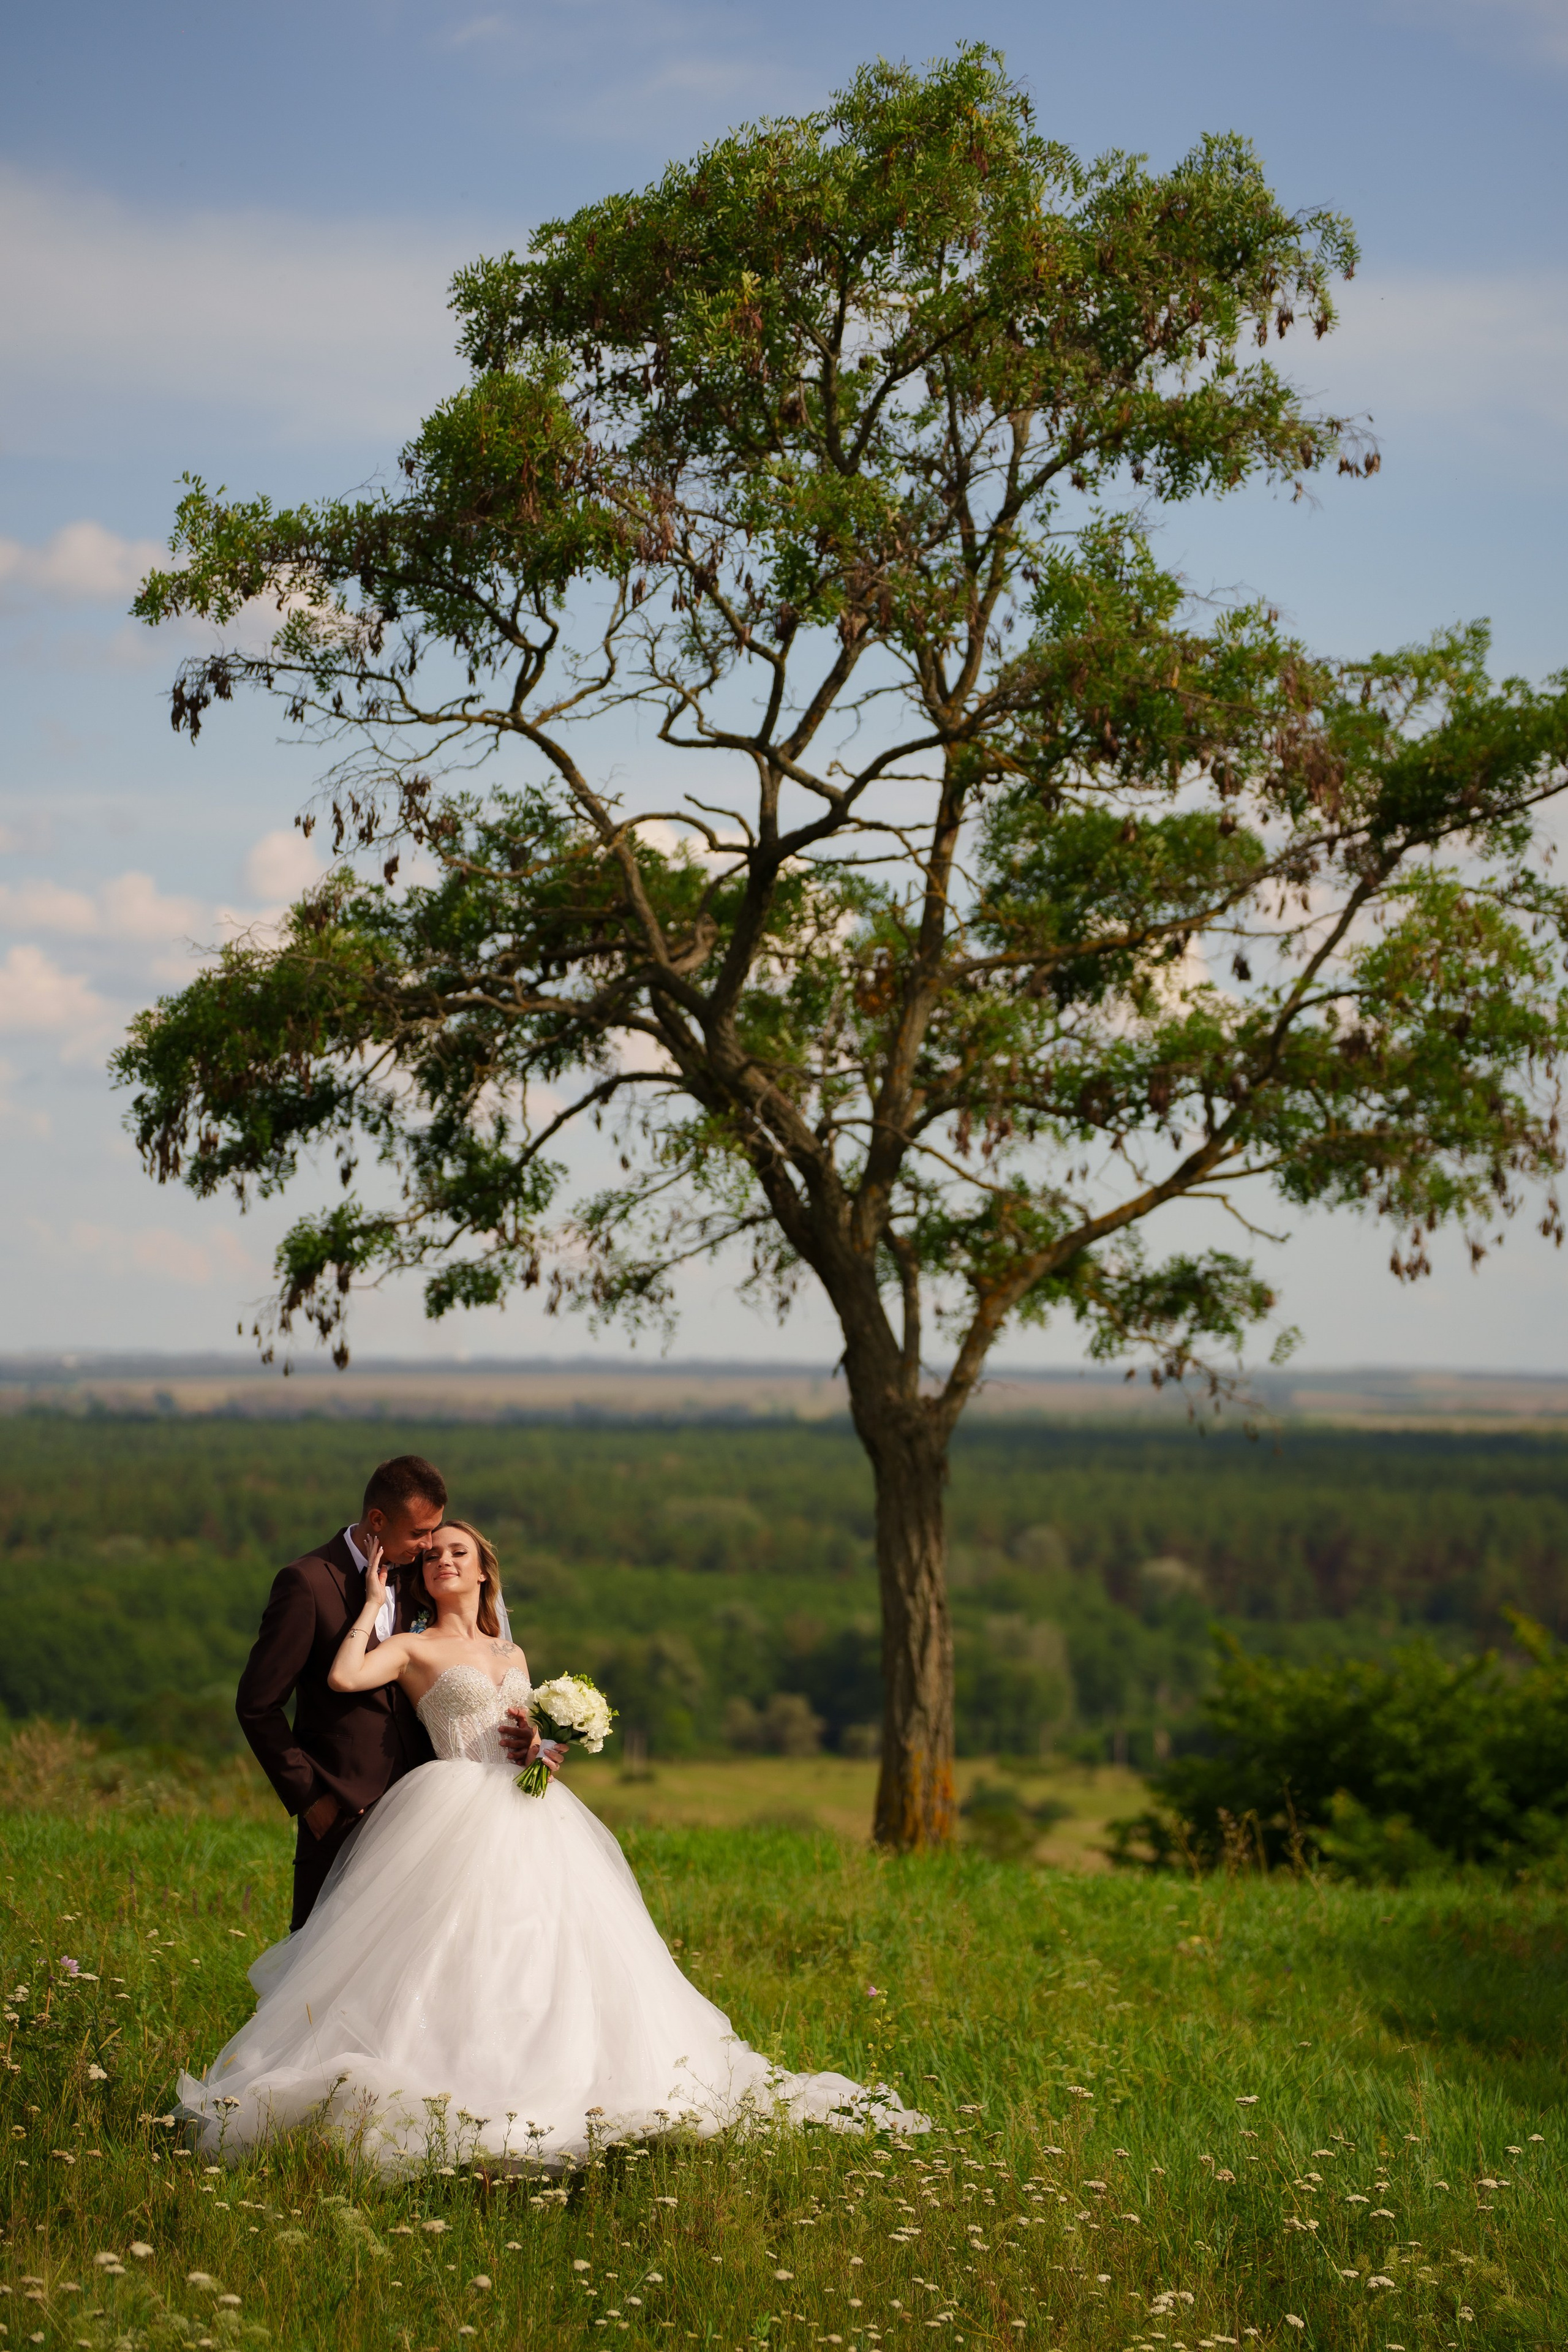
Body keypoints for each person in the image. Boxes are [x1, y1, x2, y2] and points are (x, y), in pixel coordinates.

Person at [182, 1522, 925, 2170]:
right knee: (452, 1950)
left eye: (458, 1552)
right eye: (434, 1553)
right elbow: (345, 1675)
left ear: (482, 1570)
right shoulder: (410, 1645)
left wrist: (544, 1745)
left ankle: (582, 2080)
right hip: (450, 1811)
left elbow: (522, 1730)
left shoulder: (514, 1650)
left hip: (532, 1812)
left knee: (554, 1947)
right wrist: (374, 1603)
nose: (442, 1560)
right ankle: (457, 2085)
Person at [235, 1453, 545, 1930]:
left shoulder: (421, 1578)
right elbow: (258, 1705)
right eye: (420, 1534)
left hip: (435, 1812)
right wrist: (311, 1798)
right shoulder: (309, 1583)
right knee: (323, 1952)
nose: (430, 1547)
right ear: (377, 1521)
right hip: (343, 1806)